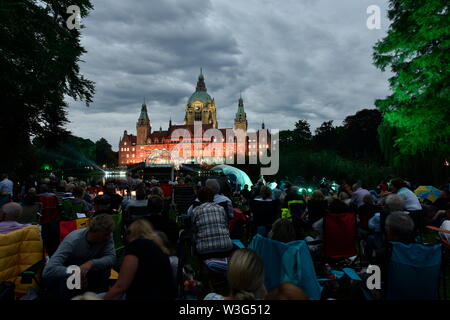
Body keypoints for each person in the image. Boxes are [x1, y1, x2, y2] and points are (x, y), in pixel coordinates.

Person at [42, 214, 116, 299]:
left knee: (105, 267)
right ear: (96, 231)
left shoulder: (107, 236)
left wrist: (91, 263)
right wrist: (77, 271)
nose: (108, 237)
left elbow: (112, 258)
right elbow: (48, 271)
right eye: (106, 234)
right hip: (73, 277)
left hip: (93, 275)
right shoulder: (73, 240)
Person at [104, 219, 175, 300]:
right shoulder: (159, 248)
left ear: (131, 233)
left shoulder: (136, 246)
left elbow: (120, 287)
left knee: (90, 295)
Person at [191, 187, 233, 259]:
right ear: (212, 197)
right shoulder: (221, 208)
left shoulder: (195, 211)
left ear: (199, 198)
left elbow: (194, 230)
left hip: (204, 249)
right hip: (225, 246)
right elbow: (226, 225)